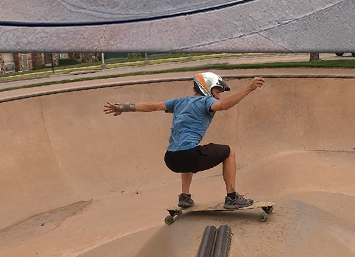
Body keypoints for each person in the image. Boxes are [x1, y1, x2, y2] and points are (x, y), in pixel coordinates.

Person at [103, 73, 265, 210]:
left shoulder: (180, 101)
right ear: (207, 88)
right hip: (189, 156)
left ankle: (185, 196)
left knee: (189, 150)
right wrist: (249, 88)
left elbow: (152, 106)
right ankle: (232, 197)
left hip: (171, 159)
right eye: (217, 91)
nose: (219, 95)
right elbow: (223, 106)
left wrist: (122, 107)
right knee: (229, 151)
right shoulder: (207, 101)